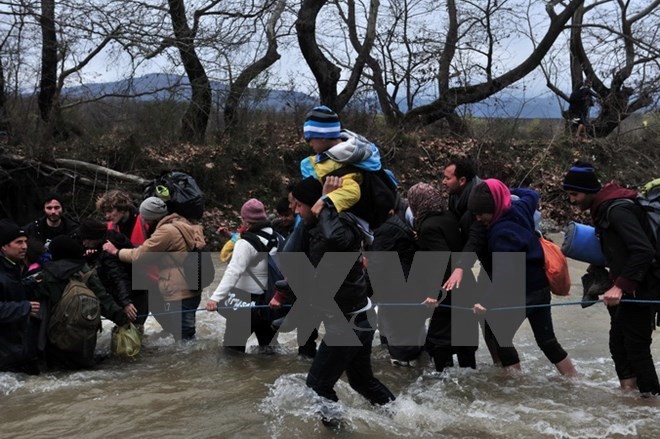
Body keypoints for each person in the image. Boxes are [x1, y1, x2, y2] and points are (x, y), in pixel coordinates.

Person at [284, 176, 395, 411]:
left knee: (317, 386)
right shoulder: (320, 227)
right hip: (358, 316)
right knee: (362, 382)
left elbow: (331, 240)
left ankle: (338, 432)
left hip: (349, 321)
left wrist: (326, 202)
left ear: (313, 205)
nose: (294, 210)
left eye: (298, 205)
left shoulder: (338, 227)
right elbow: (290, 254)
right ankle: (399, 416)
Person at [563, 161, 659, 395]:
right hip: (631, 288)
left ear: (588, 191)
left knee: (636, 348)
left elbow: (643, 250)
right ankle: (629, 395)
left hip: (643, 288)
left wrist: (620, 287)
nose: (572, 200)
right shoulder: (604, 208)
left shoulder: (617, 210)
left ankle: (651, 406)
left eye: (574, 194)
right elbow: (618, 249)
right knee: (618, 344)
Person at [468, 179, 577, 377]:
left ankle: (514, 383)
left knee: (500, 336)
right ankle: (573, 378)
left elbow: (504, 275)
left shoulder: (502, 233)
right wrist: (506, 191)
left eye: (481, 214)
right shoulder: (519, 207)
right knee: (547, 340)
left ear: (493, 209)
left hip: (521, 292)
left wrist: (485, 301)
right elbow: (532, 194)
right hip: (541, 287)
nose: (478, 218)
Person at [103, 197, 206, 341]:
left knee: (184, 338)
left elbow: (140, 255)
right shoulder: (181, 223)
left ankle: (190, 361)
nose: (143, 221)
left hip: (179, 290)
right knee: (184, 334)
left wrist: (116, 252)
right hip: (190, 286)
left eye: (145, 218)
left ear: (152, 217)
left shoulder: (166, 232)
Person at [407, 183, 474, 371]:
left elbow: (441, 259)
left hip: (448, 289)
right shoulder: (448, 216)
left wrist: (433, 294)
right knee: (464, 337)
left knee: (437, 340)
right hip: (465, 282)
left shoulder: (428, 226)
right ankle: (470, 376)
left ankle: (442, 380)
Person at [441, 157, 501, 365]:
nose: (443, 181)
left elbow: (475, 238)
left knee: (487, 316)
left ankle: (502, 364)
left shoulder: (476, 201)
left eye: (447, 178)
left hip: (483, 262)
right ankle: (495, 361)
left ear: (463, 180)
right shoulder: (455, 196)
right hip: (472, 261)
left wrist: (460, 267)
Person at [38, 235, 129, 370]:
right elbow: (103, 300)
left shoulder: (45, 275)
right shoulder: (84, 271)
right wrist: (123, 320)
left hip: (55, 338)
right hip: (83, 337)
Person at [205, 198, 280, 353]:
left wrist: (215, 298)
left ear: (245, 220)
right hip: (270, 303)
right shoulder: (277, 237)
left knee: (232, 353)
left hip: (245, 304)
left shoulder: (246, 243)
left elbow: (233, 271)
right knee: (269, 352)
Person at [300, 105, 383, 217]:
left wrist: (325, 200)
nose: (309, 144)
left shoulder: (341, 164)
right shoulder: (350, 152)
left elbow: (353, 191)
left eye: (309, 138)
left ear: (323, 136)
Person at [369, 197, 420, 367]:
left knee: (401, 352)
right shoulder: (392, 225)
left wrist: (363, 294)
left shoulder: (386, 230)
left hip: (398, 294)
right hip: (403, 292)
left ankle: (404, 380)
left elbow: (376, 267)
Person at [79, 218, 146, 326]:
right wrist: (93, 257)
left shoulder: (107, 251)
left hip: (132, 295)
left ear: (93, 237)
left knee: (132, 329)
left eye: (86, 239)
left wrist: (126, 303)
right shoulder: (110, 241)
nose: (84, 243)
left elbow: (119, 277)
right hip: (137, 290)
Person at [0, 220, 40, 374]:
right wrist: (24, 308)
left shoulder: (12, 266)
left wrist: (30, 283)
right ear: (4, 246)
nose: (24, 246)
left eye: (25, 242)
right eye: (18, 242)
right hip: (7, 357)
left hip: (19, 350)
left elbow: (10, 289)